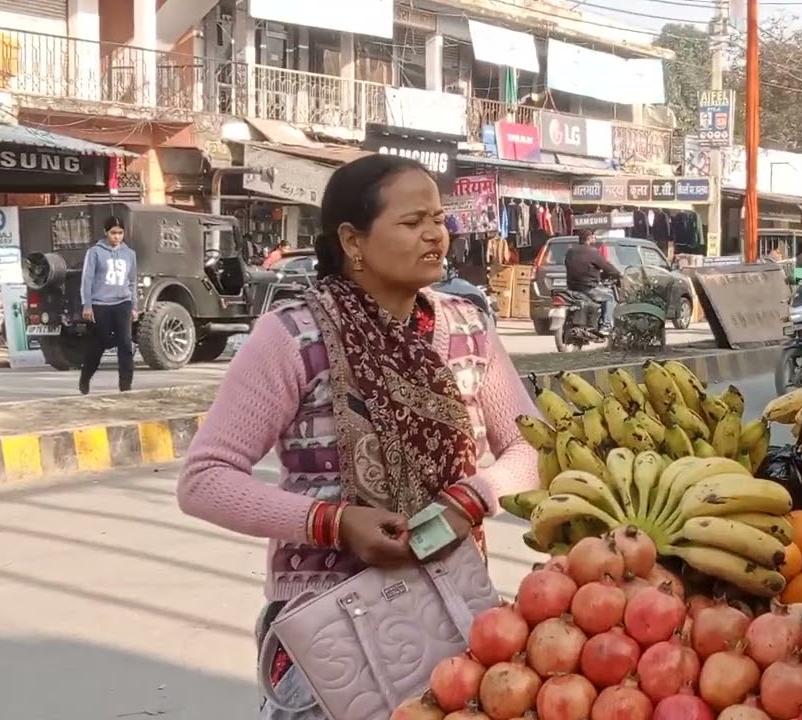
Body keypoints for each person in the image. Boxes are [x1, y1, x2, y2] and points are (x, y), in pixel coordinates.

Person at [175, 154, 540, 719]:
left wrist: (468, 499)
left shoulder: (469, 327)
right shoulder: (294, 336)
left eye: (439, 219)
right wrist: (335, 523)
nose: (435, 235)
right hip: (331, 623)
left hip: (453, 604)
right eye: (412, 221)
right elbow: (205, 480)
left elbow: (528, 447)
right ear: (353, 240)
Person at [79, 216, 137, 395]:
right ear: (106, 232)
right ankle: (85, 376)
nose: (117, 237)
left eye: (120, 233)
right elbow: (87, 279)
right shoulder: (95, 252)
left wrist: (134, 305)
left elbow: (132, 280)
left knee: (125, 345)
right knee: (99, 343)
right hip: (100, 304)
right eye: (113, 233)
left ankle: (125, 386)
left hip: (123, 303)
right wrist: (87, 305)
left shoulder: (130, 254)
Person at [564, 229, 622, 332]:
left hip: (571, 287)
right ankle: (606, 325)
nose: (594, 239)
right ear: (589, 239)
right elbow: (607, 266)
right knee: (609, 297)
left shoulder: (570, 252)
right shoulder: (593, 252)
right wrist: (618, 274)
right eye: (593, 237)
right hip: (587, 288)